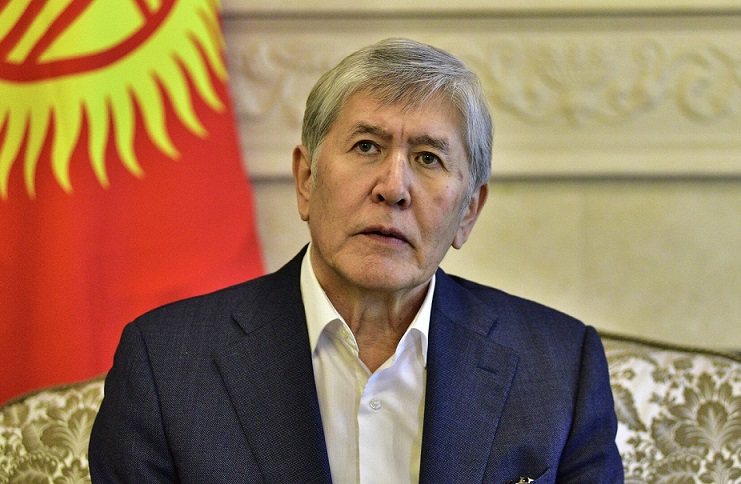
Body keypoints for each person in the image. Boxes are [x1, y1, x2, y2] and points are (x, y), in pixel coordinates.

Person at [89, 38, 623, 483]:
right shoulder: (167, 364)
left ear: (468, 212)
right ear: (306, 180)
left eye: (428, 158)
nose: (393, 188)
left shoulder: (558, 367)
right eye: (367, 146)